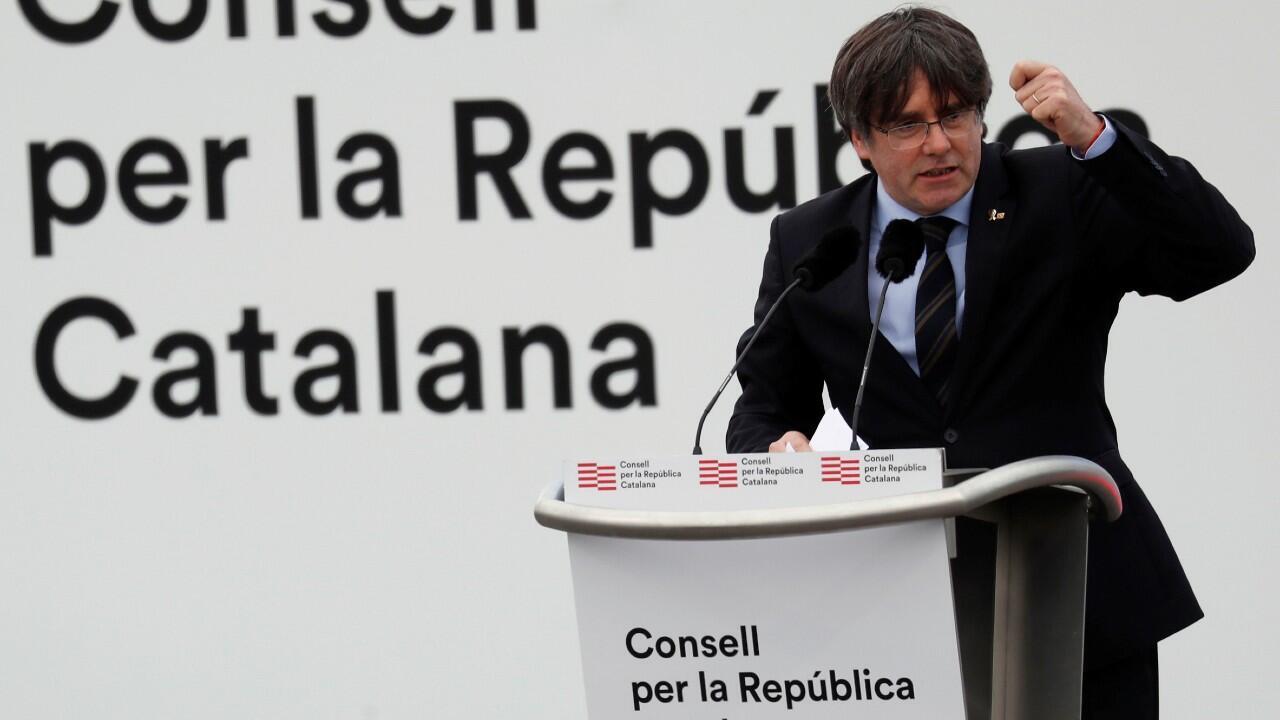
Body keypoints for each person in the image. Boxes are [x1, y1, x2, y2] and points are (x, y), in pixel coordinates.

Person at [725, 7, 1254, 718]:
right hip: (897, 607)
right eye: (906, 125)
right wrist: (774, 448)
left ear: (982, 115)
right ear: (859, 139)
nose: (939, 144)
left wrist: (1095, 140)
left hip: (1081, 591)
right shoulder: (812, 240)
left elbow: (1218, 252)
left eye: (955, 115)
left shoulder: (1062, 190)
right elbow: (763, 404)